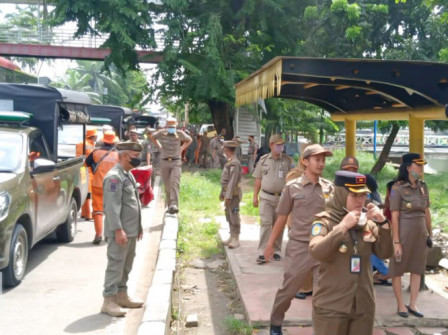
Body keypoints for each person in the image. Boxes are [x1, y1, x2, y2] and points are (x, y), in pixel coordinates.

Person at [309, 170, 393, 335]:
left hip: (363, 305)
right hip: (332, 305)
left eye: (363, 196)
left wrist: (383, 223)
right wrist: (342, 227)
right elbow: (316, 251)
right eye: (354, 195)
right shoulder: (325, 221)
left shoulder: (367, 224)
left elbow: (385, 253)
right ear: (341, 194)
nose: (360, 200)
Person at [264, 144, 334, 335]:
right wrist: (270, 245)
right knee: (289, 290)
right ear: (305, 161)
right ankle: (276, 324)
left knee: (323, 294)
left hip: (323, 247)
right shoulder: (292, 188)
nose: (321, 164)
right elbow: (281, 218)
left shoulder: (329, 187)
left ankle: (321, 329)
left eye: (323, 160)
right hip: (299, 247)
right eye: (317, 159)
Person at [101, 141, 144, 317]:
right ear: (125, 156)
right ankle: (108, 300)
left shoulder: (127, 175)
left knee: (126, 265)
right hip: (120, 231)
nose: (138, 159)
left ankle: (121, 294)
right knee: (116, 264)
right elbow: (112, 207)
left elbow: (133, 203)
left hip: (131, 231)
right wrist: (118, 230)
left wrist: (138, 227)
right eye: (135, 156)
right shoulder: (114, 177)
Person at [389, 153, 432, 318]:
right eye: (418, 165)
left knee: (417, 269)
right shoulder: (397, 188)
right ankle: (401, 304)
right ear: (408, 167)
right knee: (398, 269)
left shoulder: (423, 186)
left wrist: (430, 233)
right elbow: (394, 215)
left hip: (420, 234)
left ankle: (413, 304)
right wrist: (396, 241)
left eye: (422, 165)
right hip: (404, 233)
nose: (421, 168)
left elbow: (426, 212)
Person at [253, 134, 294, 264]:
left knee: (279, 225)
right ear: (271, 145)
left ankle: (276, 250)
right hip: (266, 197)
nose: (280, 147)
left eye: (282, 145)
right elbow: (258, 179)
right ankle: (263, 250)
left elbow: (293, 177)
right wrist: (255, 196)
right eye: (278, 145)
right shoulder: (263, 160)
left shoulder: (287, 161)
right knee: (265, 223)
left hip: (282, 198)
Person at [149, 117, 192, 214]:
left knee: (174, 183)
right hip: (164, 161)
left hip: (176, 162)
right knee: (167, 185)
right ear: (166, 126)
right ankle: (169, 206)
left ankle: (174, 204)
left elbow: (189, 140)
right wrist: (159, 146)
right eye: (169, 126)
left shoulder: (180, 133)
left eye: (173, 126)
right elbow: (152, 137)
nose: (171, 128)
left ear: (176, 126)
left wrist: (181, 149)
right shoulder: (161, 133)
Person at [85, 131, 119, 244]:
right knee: (112, 209)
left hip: (98, 183)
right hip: (113, 184)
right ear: (114, 141)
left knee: (98, 210)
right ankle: (111, 235)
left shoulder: (96, 152)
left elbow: (86, 163)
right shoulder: (118, 154)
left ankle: (99, 234)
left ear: (103, 140)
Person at [220, 140, 242, 249]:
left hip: (233, 195)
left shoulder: (234, 163)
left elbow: (232, 181)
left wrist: (228, 196)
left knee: (234, 214)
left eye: (224, 148)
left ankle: (236, 238)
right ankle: (231, 235)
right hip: (228, 192)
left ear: (226, 149)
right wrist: (222, 193)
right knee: (228, 215)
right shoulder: (229, 161)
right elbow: (226, 180)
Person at [76, 127, 97, 220]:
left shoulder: (84, 144)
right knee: (88, 192)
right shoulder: (88, 144)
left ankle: (84, 213)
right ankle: (88, 214)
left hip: (83, 170)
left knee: (85, 191)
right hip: (87, 170)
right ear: (93, 135)